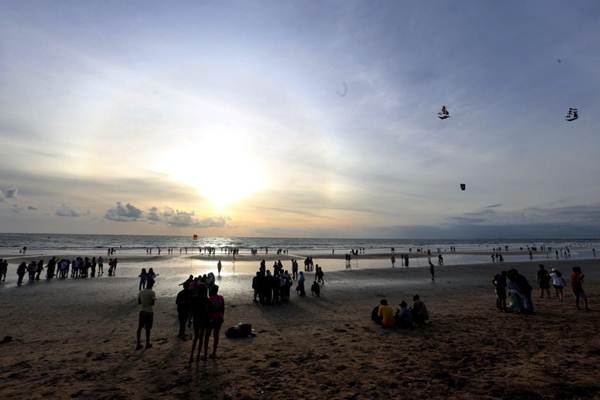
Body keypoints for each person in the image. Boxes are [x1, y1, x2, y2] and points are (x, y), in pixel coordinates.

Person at [189, 282, 209, 362]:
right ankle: (197, 356)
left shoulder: (194, 298)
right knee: (201, 338)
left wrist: (189, 320)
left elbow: (191, 310)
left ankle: (191, 356)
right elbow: (208, 311)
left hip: (196, 319)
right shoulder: (206, 299)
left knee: (195, 337)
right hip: (203, 319)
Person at [204, 285, 224, 359]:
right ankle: (214, 353)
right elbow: (223, 309)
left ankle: (205, 353)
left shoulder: (209, 299)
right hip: (219, 318)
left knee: (207, 336)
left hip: (211, 319)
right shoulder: (221, 298)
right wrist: (222, 317)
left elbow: (208, 311)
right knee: (216, 336)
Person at [136, 279, 156, 350]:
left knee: (139, 328)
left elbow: (139, 302)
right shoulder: (152, 292)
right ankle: (147, 343)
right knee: (148, 329)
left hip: (142, 311)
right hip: (149, 312)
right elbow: (152, 303)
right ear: (152, 285)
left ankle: (138, 343)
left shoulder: (141, 292)